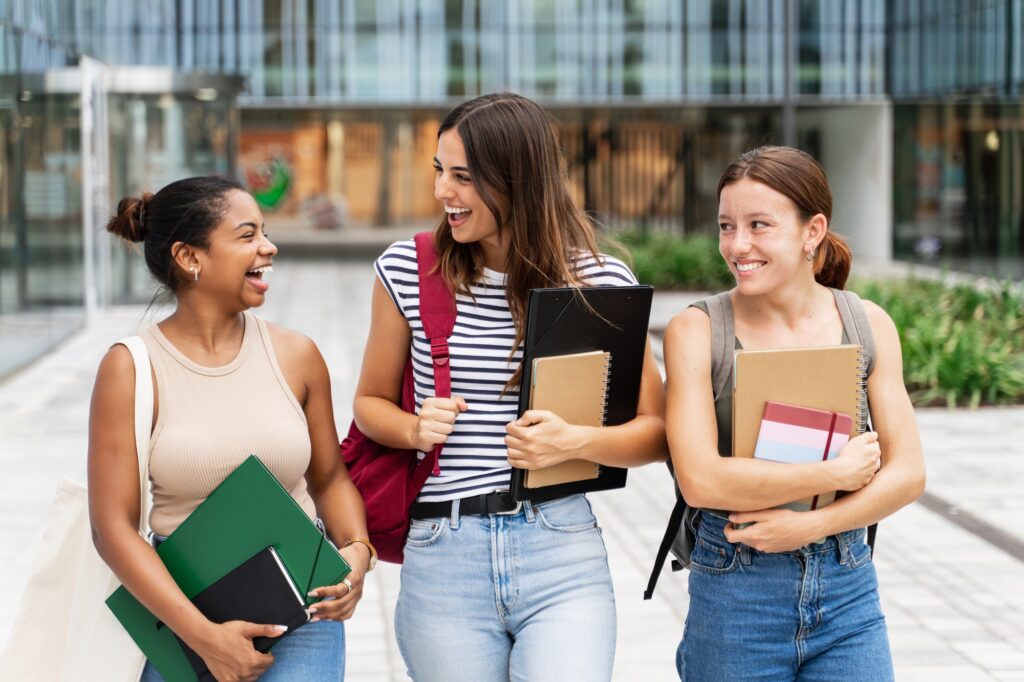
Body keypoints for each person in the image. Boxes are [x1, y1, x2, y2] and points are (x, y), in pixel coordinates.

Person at [353, 92, 667, 681]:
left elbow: (656, 432)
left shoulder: (599, 282)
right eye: (440, 171)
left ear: (517, 179)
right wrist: (413, 427)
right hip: (444, 555)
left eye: (464, 177)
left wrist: (573, 442)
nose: (444, 191)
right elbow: (368, 404)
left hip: (560, 548)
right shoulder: (408, 269)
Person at [89, 177, 373, 681]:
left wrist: (356, 552)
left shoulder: (298, 356)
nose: (269, 246)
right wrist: (206, 638)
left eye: (263, 233)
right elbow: (113, 527)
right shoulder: (130, 368)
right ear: (189, 257)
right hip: (182, 614)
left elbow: (330, 479)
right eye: (247, 235)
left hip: (303, 604)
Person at [664, 146, 926, 680]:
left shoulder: (867, 323)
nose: (738, 245)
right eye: (726, 226)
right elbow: (700, 479)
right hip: (737, 591)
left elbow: (909, 473)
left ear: (813, 231)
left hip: (847, 588)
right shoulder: (697, 330)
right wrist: (830, 475)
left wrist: (812, 525)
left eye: (759, 225)